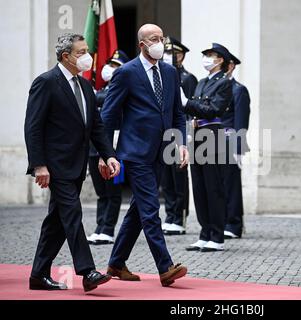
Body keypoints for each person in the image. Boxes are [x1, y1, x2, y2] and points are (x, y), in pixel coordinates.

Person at [24, 33, 120, 292]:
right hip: (55, 166)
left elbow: (96, 127)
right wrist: (39, 165)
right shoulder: (46, 82)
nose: (87, 56)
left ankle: (38, 274)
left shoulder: (85, 85)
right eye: (81, 52)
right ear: (66, 56)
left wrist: (108, 154)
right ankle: (88, 272)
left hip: (77, 165)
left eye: (87, 50)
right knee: (72, 214)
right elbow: (33, 127)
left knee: (56, 222)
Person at [101, 24, 189, 286]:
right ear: (142, 44)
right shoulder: (126, 73)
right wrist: (105, 154)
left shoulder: (171, 72)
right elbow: (108, 114)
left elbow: (178, 113)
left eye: (161, 38)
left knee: (139, 210)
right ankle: (165, 267)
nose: (159, 43)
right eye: (154, 39)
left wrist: (182, 144)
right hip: (135, 152)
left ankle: (116, 263)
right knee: (151, 209)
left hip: (161, 152)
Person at [181, 43, 233, 252]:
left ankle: (217, 235)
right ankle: (205, 232)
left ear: (220, 59)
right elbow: (197, 109)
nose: (206, 59)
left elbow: (213, 109)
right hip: (197, 135)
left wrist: (188, 104)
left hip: (213, 135)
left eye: (210, 55)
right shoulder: (202, 82)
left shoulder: (224, 83)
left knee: (213, 187)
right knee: (199, 187)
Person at [87, 50, 130, 245]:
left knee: (113, 190)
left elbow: (100, 100)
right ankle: (99, 227)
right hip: (95, 147)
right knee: (101, 191)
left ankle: (108, 229)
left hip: (114, 148)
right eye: (110, 65)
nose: (110, 69)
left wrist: (93, 96)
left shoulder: (123, 89)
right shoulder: (101, 90)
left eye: (115, 66)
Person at [160, 37, 198, 236]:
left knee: (179, 175)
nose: (167, 57)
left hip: (181, 131)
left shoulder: (187, 78)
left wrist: (189, 135)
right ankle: (169, 215)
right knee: (166, 177)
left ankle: (179, 217)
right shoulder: (163, 76)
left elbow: (190, 107)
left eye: (171, 53)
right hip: (165, 132)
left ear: (181, 56)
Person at [221, 52, 250, 239]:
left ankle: (234, 223)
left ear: (231, 66)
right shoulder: (213, 86)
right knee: (217, 185)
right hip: (210, 142)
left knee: (230, 185)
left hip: (229, 142)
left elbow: (240, 123)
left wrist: (239, 149)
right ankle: (220, 221)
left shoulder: (238, 90)